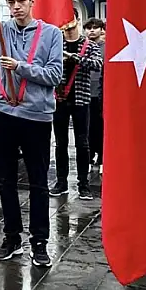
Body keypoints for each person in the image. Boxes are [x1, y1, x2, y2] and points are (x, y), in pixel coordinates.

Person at [0, 0, 63, 267]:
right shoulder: (0, 31)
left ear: (31, 0)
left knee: (39, 181)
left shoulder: (51, 34)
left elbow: (54, 75)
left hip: (35, 115)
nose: (15, 7)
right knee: (6, 178)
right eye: (10, 2)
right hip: (2, 112)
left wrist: (21, 68)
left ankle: (39, 242)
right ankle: (12, 236)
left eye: (20, 1)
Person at [50, 20, 103, 199]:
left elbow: (98, 64)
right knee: (60, 143)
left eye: (71, 21)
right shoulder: (56, 43)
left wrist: (74, 58)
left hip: (81, 99)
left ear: (77, 21)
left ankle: (83, 184)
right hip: (59, 99)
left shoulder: (88, 45)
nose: (68, 26)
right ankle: (61, 182)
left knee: (82, 143)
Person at [84, 18, 106, 168]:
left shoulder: (107, 47)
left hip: (101, 92)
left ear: (102, 30)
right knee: (87, 127)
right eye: (88, 28)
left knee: (100, 126)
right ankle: (89, 154)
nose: (92, 30)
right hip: (85, 92)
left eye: (95, 28)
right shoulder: (83, 46)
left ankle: (101, 155)